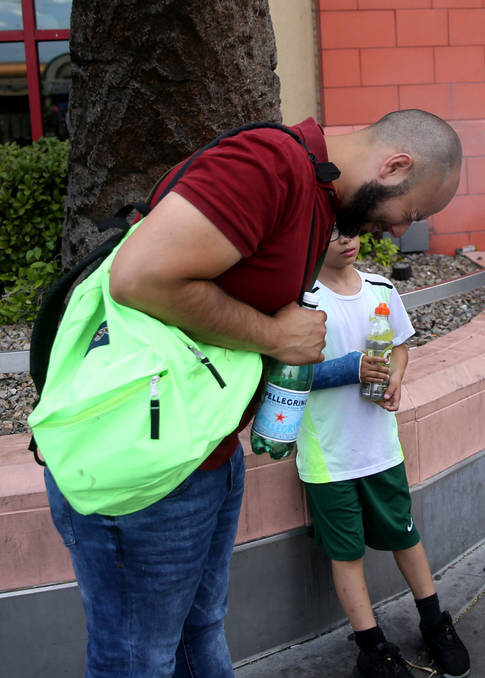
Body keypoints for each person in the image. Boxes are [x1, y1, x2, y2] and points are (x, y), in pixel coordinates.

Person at [43, 109, 462, 678]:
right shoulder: (270, 166)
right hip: (145, 468)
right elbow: (139, 278)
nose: (394, 230)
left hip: (203, 452)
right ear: (394, 166)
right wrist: (274, 334)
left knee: (199, 631)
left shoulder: (318, 196)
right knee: (136, 659)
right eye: (408, 213)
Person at [296, 232, 470, 678]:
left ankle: (435, 623)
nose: (346, 240)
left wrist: (394, 378)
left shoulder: (381, 289)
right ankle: (373, 648)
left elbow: (400, 345)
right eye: (332, 232)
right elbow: (288, 373)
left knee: (405, 536)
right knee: (346, 553)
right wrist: (350, 368)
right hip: (327, 459)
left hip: (380, 450)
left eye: (351, 230)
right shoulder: (302, 300)